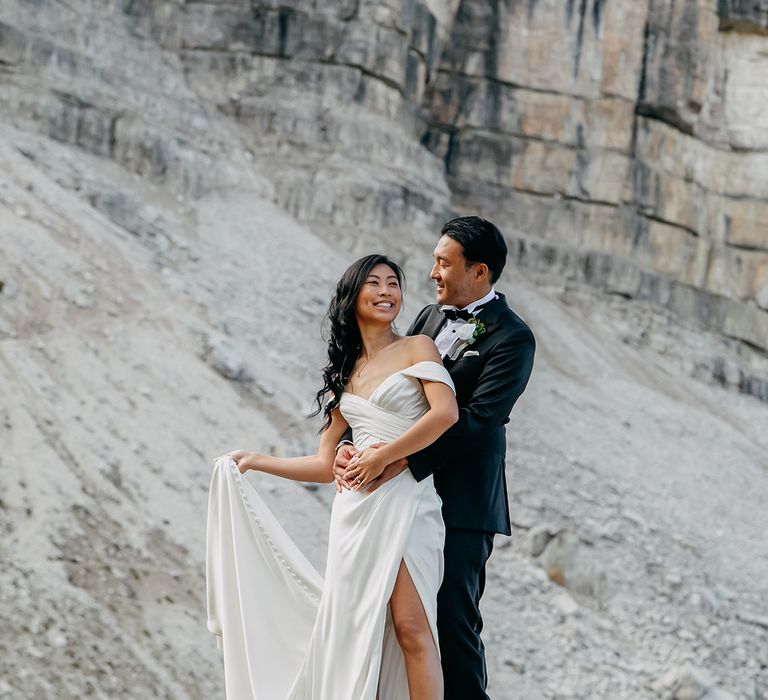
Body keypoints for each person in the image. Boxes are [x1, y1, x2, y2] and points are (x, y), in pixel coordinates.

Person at [206, 254, 459, 699]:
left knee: (412, 627)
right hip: (355, 513)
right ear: (352, 296)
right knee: (353, 631)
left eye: (393, 283)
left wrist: (383, 458)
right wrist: (257, 460)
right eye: (375, 283)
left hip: (408, 499)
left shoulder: (419, 346)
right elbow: (325, 466)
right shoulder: (346, 375)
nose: (387, 292)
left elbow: (445, 414)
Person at [335, 217, 536, 699]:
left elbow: (479, 419)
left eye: (444, 263)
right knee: (400, 620)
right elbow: (394, 393)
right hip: (400, 498)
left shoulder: (513, 338)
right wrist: (352, 445)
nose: (433, 272)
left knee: (451, 622)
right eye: (433, 261)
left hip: (462, 502)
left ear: (480, 271)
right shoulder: (427, 318)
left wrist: (400, 459)